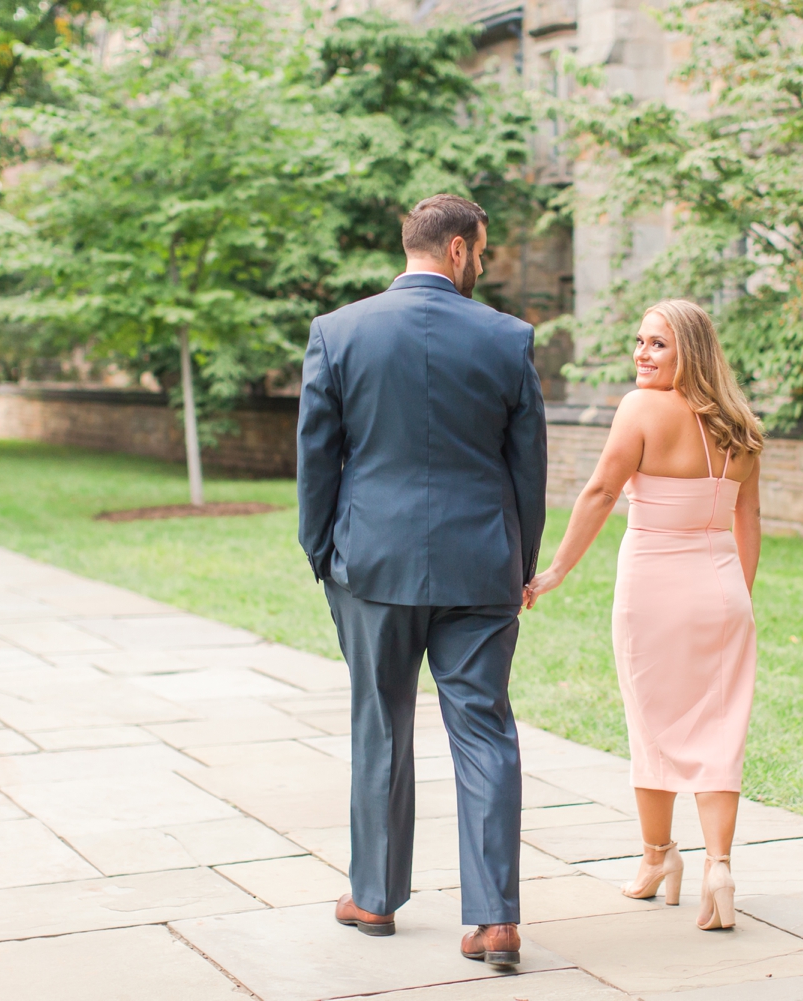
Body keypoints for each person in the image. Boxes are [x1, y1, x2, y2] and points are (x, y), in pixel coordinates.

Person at [297, 194, 547, 968]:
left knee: (380, 723)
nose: (484, 263)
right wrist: (521, 560)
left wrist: (321, 553)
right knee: (483, 728)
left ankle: (373, 897)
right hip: (479, 567)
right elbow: (528, 469)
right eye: (483, 250)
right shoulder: (509, 339)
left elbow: (316, 460)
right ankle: (496, 919)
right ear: (457, 248)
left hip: (371, 562)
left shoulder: (339, 333)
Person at [524, 298, 763, 931]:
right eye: (639, 341)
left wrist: (555, 571)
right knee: (719, 728)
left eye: (658, 343)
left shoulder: (640, 410)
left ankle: (659, 857)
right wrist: (736, 594)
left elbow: (601, 491)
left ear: (691, 351)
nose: (641, 353)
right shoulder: (741, 423)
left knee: (652, 722)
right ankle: (718, 866)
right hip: (723, 591)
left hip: (654, 589)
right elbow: (748, 518)